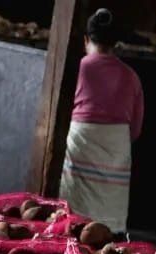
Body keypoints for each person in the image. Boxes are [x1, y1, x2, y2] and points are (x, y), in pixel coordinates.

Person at [58, 8, 144, 235]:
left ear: (86, 40)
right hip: (116, 148)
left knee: (73, 220)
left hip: (81, 143)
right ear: (115, 43)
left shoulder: (78, 68)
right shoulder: (131, 76)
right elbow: (135, 130)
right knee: (107, 227)